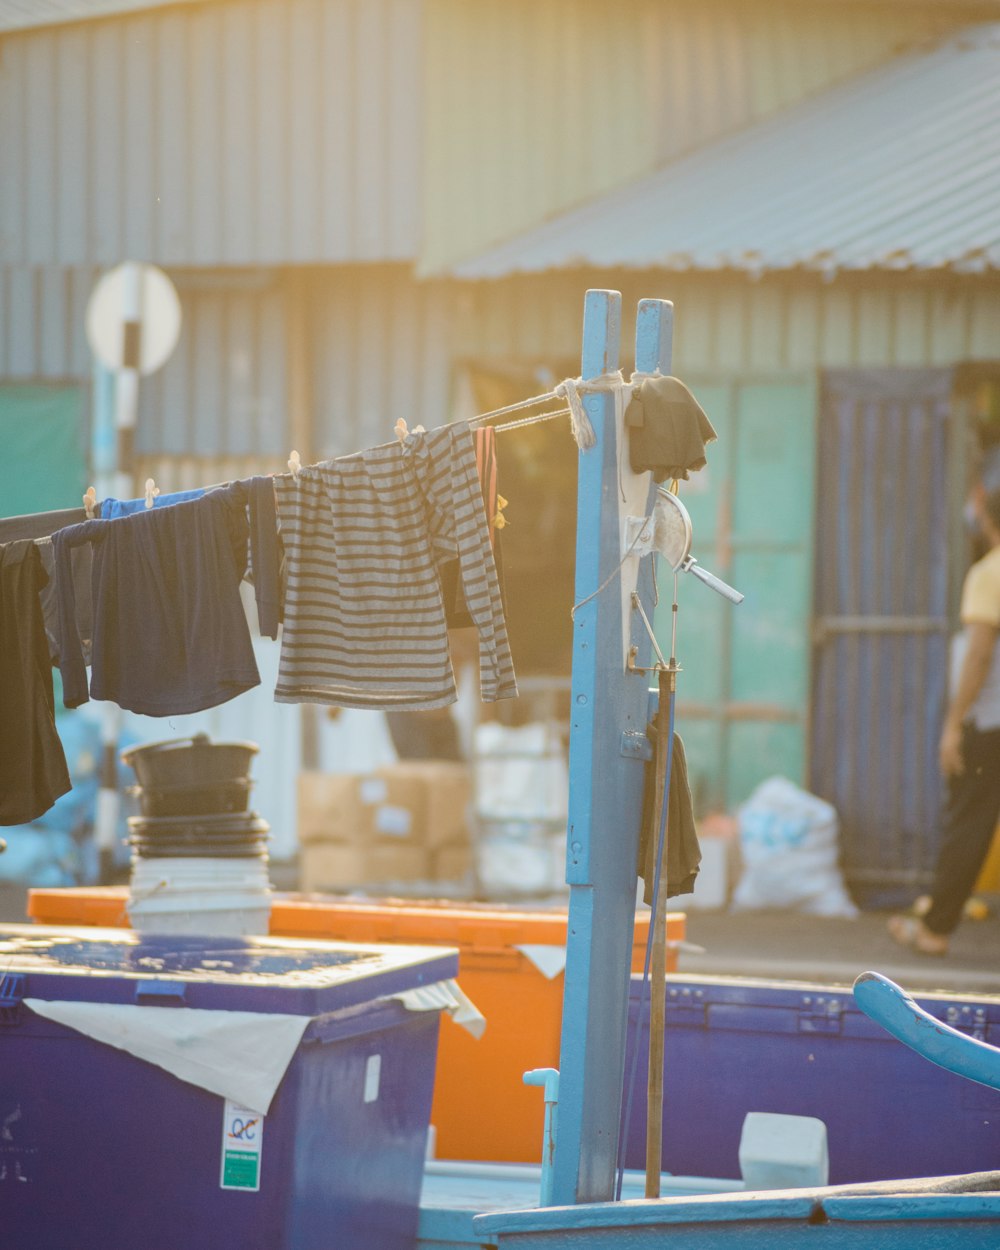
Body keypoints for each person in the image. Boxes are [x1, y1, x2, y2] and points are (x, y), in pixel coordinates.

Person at [889, 486, 1000, 955]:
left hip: (991, 722)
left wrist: (954, 724)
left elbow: (978, 653)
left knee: (969, 825)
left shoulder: (989, 572)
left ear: (984, 515)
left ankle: (934, 930)